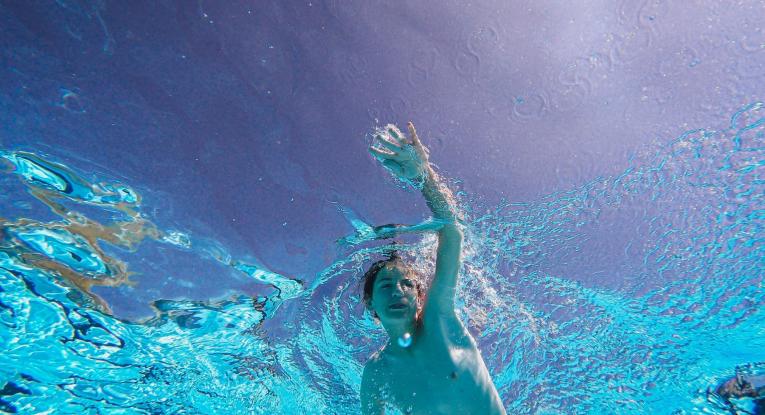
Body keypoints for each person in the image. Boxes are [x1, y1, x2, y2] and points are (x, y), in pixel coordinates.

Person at [360, 122, 506, 414]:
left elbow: (451, 233)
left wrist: (423, 178)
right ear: (370, 303)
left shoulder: (439, 320)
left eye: (407, 285)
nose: (398, 292)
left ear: (420, 297)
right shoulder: (375, 373)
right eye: (386, 286)